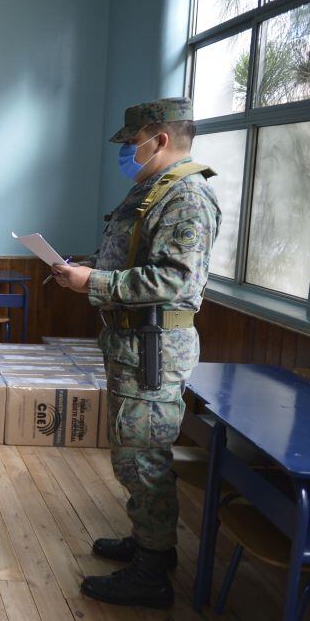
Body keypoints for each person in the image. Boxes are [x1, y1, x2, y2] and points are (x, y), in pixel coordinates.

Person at [51, 97, 220, 610]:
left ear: (159, 138)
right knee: (132, 451)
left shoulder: (187, 197)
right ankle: (150, 544)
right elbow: (135, 258)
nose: (127, 153)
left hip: (153, 349)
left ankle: (151, 573)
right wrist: (83, 270)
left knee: (143, 456)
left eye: (132, 144)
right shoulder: (154, 190)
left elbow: (174, 278)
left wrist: (93, 282)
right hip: (133, 343)